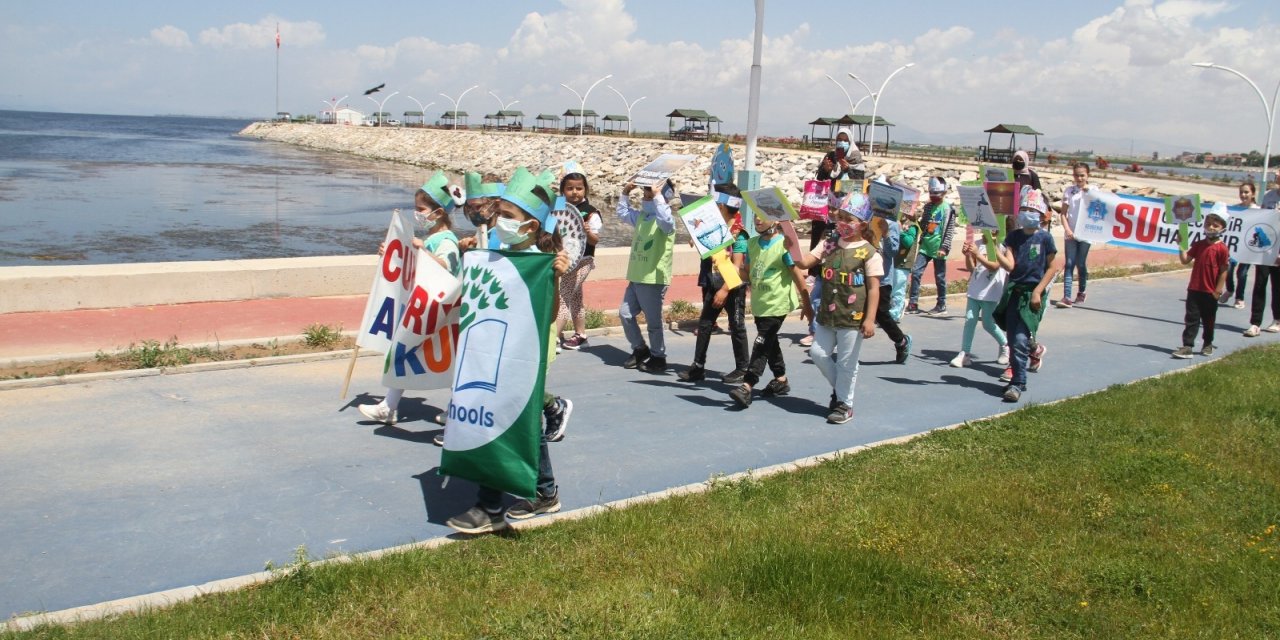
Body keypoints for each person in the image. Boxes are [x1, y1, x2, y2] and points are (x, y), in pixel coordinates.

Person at [445, 167, 572, 535]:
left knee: (510, 418)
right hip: (491, 353)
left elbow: (548, 316)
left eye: (508, 216)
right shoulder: (495, 250)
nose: (499, 221)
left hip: (521, 355)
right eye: (498, 213)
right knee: (522, 420)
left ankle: (490, 505)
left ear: (531, 227)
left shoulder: (539, 262)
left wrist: (556, 277)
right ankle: (545, 492)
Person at [357, 171, 464, 426]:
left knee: (442, 361)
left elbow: (444, 267)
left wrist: (419, 251)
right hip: (427, 311)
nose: (418, 214)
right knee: (406, 352)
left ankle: (456, 409)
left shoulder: (446, 240)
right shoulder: (434, 238)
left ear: (438, 212)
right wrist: (395, 253)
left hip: (440, 314)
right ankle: (389, 406)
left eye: (421, 209)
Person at [792, 192, 881, 424]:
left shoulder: (869, 253)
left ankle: (845, 404)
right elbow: (804, 263)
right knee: (818, 354)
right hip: (827, 314)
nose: (843, 223)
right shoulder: (829, 242)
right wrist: (790, 244)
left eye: (849, 219)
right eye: (841, 217)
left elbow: (873, 289)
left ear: (862, 224)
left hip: (853, 316)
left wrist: (870, 319)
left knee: (846, 362)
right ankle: (841, 390)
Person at [728, 209, 810, 407]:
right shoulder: (752, 244)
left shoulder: (783, 245)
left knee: (761, 343)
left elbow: (797, 274)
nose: (757, 218)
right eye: (755, 215)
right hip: (760, 303)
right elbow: (747, 273)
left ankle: (748, 385)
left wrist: (807, 303)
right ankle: (780, 380)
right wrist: (726, 265)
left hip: (777, 303)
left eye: (762, 215)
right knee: (770, 343)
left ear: (775, 221)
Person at [679, 183, 751, 383]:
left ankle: (742, 368)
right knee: (704, 324)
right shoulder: (712, 227)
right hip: (713, 282)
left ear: (720, 206)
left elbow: (737, 267)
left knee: (737, 326)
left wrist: (724, 291)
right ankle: (698, 366)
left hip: (732, 287)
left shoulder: (738, 232)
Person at [994, 187, 1058, 403]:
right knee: (1013, 338)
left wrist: (1038, 292)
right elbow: (1010, 265)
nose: (1026, 213)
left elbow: (1052, 268)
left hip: (1032, 294)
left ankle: (1017, 383)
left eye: (1031, 209)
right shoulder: (1013, 237)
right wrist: (995, 249)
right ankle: (1033, 350)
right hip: (1014, 292)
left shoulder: (1045, 238)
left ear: (1040, 213)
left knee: (1020, 339)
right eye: (1023, 209)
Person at [617, 179, 677, 372]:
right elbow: (623, 212)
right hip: (636, 276)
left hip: (652, 279)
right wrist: (626, 192)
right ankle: (640, 348)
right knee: (625, 314)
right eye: (645, 195)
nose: (646, 198)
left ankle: (659, 357)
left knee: (653, 323)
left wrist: (658, 196)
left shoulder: (666, 222)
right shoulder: (642, 216)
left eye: (650, 195)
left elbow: (666, 221)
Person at [1174, 204, 1231, 358]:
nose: (1211, 227)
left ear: (1222, 228)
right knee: (1191, 318)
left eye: (1215, 225)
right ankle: (1187, 346)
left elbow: (1224, 270)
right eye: (1208, 224)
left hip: (1210, 291)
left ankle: (1207, 343)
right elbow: (1185, 260)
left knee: (1208, 319)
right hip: (1194, 289)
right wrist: (1181, 244)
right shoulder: (1199, 244)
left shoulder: (1222, 249)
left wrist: (1218, 291)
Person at [556, 171, 602, 350]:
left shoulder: (591, 213)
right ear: (562, 190)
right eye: (569, 188)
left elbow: (595, 241)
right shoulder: (560, 210)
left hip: (583, 260)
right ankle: (581, 334)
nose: (574, 192)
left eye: (579, 188)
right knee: (575, 297)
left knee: (562, 296)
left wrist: (587, 231)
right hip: (565, 260)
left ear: (585, 190)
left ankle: (553, 338)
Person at [950, 238, 1009, 367]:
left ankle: (1005, 345)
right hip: (975, 290)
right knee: (969, 320)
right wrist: (968, 256)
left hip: (990, 292)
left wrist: (977, 254)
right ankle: (965, 354)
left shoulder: (1000, 247)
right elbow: (972, 268)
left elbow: (994, 267)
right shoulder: (976, 244)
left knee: (988, 324)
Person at [907, 177, 956, 316]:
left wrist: (944, 248)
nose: (934, 197)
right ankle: (913, 302)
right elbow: (924, 225)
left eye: (937, 194)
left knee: (939, 277)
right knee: (916, 272)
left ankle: (941, 304)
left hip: (939, 247)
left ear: (944, 193)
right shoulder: (928, 207)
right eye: (931, 194)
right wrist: (914, 219)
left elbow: (949, 230)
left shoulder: (948, 209)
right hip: (926, 246)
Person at [871, 210, 912, 363]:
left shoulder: (892, 224)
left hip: (882, 277)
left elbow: (893, 251)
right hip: (864, 275)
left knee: (881, 314)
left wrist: (886, 233)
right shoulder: (866, 218)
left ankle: (901, 341)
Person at [1055, 163, 1093, 308]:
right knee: (1069, 263)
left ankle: (1082, 291)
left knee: (1080, 263)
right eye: (1076, 175)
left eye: (1082, 175)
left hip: (1086, 234)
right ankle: (1066, 297)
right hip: (1071, 234)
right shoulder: (1069, 192)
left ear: (1088, 175)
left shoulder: (1093, 190)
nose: (1079, 178)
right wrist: (1067, 229)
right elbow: (1063, 213)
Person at [1222, 182, 1258, 309]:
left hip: (1248, 247)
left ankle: (1239, 297)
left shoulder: (1258, 210)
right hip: (1234, 246)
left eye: (1246, 192)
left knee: (1242, 273)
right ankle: (1230, 290)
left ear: (1253, 194)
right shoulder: (1235, 209)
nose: (1243, 195)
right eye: (1241, 192)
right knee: (1229, 268)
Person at [891, 204, 920, 321]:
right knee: (892, 287)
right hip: (895, 260)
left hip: (903, 262)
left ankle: (896, 313)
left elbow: (908, 242)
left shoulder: (913, 226)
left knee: (898, 288)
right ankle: (893, 309)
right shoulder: (901, 223)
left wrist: (900, 231)